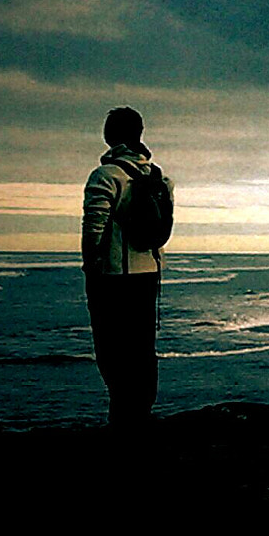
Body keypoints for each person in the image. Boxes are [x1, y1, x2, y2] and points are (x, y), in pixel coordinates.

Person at [82, 106, 173, 430]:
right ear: (139, 134)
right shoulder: (159, 177)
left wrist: (89, 266)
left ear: (108, 136)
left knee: (111, 347)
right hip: (149, 274)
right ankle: (141, 412)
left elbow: (93, 229)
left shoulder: (105, 177)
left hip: (113, 277)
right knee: (142, 346)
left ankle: (122, 415)